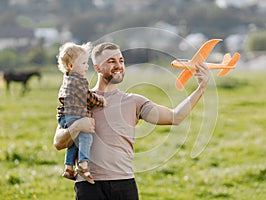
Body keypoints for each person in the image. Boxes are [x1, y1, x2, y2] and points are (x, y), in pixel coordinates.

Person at [54, 42, 209, 200]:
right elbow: (58, 142)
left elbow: (175, 117)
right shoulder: (79, 98)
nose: (119, 65)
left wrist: (201, 88)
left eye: (121, 60)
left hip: (124, 184)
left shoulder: (134, 102)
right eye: (111, 61)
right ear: (97, 67)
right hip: (89, 186)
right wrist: (77, 126)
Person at [56, 42, 106, 184]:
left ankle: (68, 167)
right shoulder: (79, 81)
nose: (87, 66)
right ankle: (83, 166)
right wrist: (101, 101)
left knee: (74, 142)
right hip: (74, 115)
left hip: (64, 116)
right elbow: (88, 97)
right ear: (71, 66)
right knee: (86, 137)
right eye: (83, 63)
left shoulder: (67, 80)